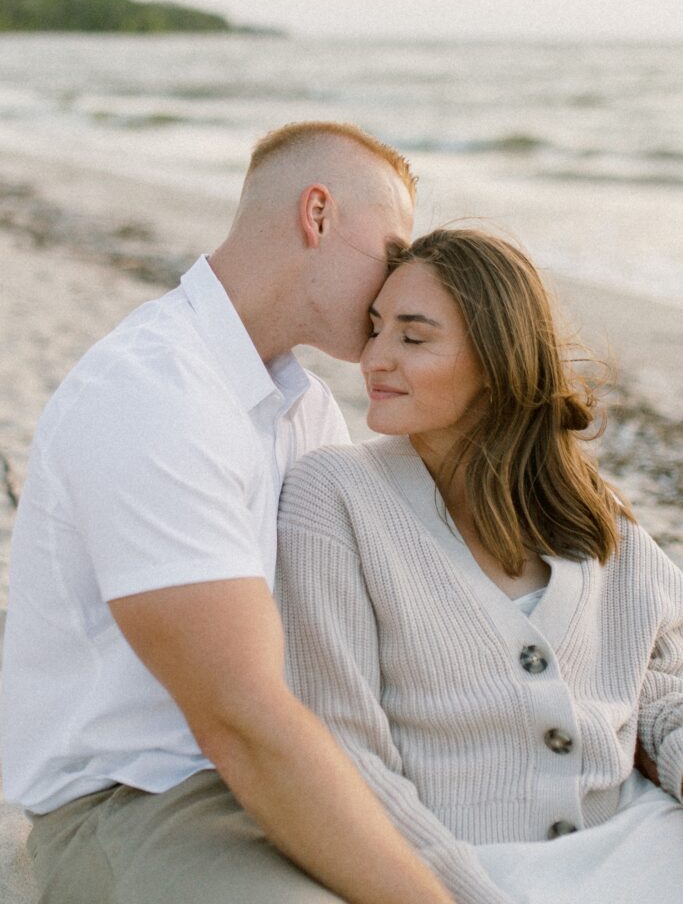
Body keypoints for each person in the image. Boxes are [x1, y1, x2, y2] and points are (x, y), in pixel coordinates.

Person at [0, 122, 458, 904]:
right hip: (136, 799)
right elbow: (238, 717)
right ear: (317, 215)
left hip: (275, 763)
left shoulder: (301, 407)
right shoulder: (152, 393)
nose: (395, 284)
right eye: (390, 252)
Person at [276, 227, 683, 904]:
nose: (374, 358)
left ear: (496, 359)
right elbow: (341, 749)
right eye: (374, 330)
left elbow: (663, 693)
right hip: (457, 873)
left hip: (646, 845)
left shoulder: (594, 514)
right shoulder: (334, 496)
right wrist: (456, 891)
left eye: (412, 337)